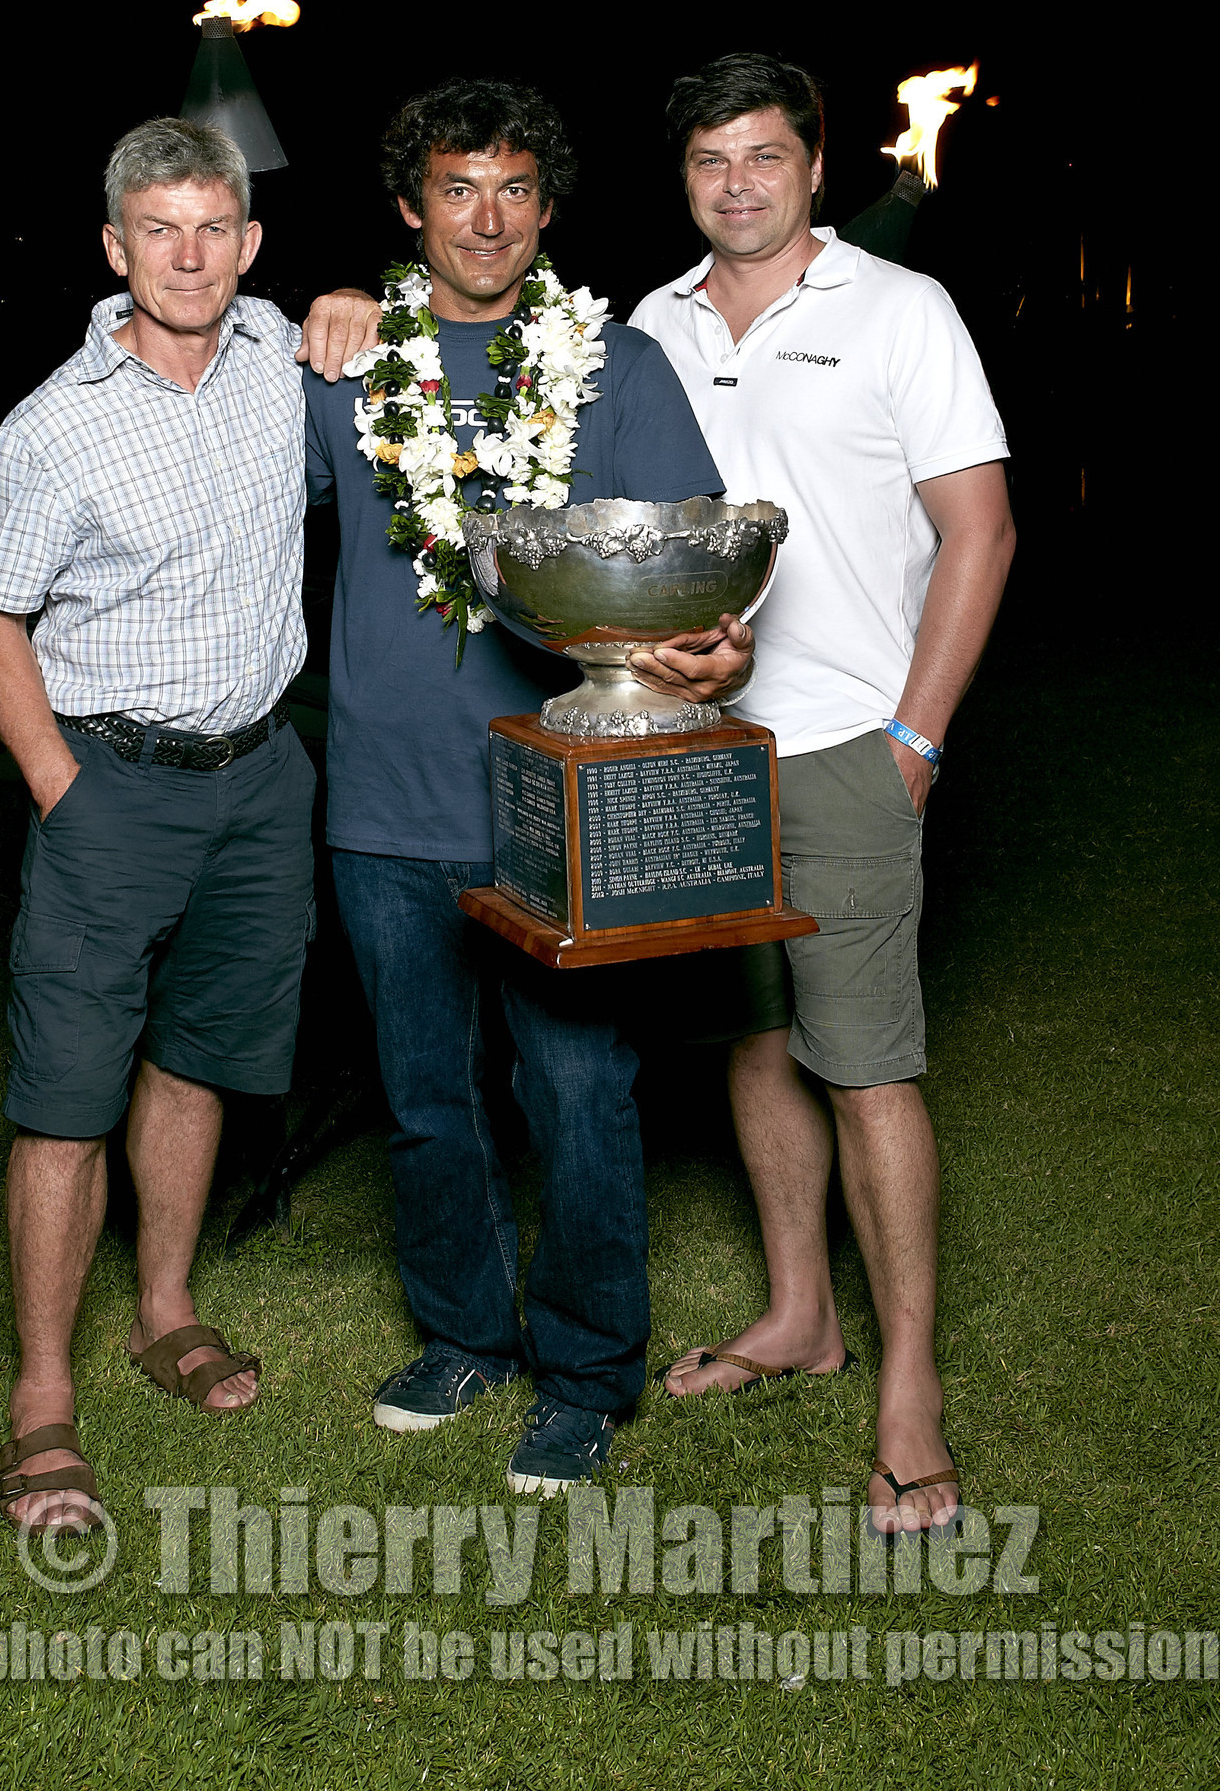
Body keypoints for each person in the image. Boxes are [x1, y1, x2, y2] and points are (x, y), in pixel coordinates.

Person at [301, 77, 751, 1494]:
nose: (485, 220)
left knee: (577, 1090)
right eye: (457, 189)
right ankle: (462, 1335)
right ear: (409, 207)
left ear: (548, 210)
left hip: (559, 795)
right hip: (386, 794)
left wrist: (709, 650)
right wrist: (319, 308)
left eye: (512, 190)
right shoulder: (345, 365)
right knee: (426, 1095)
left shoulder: (615, 365)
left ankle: (588, 1371)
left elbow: (689, 565)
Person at [626, 52, 1016, 1537]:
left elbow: (981, 531)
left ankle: (910, 1387)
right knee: (757, 1035)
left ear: (813, 165)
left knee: (866, 1066)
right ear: (685, 177)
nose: (738, 184)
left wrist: (916, 740)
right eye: (710, 159)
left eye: (765, 156)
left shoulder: (900, 310)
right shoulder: (651, 326)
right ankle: (802, 1313)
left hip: (851, 742)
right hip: (697, 756)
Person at [0, 117, 318, 1536]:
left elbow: (383, 336)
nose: (189, 255)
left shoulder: (278, 355)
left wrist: (358, 301)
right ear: (116, 249)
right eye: (159, 230)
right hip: (113, 782)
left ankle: (164, 1309)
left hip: (262, 779)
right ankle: (40, 1398)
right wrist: (63, 786)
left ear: (250, 243)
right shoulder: (51, 430)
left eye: (214, 227)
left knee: (202, 1052)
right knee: (67, 1092)